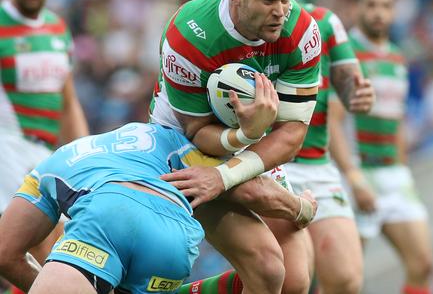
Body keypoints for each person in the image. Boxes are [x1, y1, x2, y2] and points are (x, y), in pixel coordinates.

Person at [150, 0, 322, 294]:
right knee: (268, 266)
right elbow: (198, 131)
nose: (280, 12)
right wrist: (242, 141)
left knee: (294, 283)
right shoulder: (189, 34)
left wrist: (231, 164)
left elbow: (291, 136)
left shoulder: (302, 34)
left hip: (249, 134)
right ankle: (296, 209)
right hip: (181, 138)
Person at [0, 122, 316, 294]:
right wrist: (300, 207)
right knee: (274, 271)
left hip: (105, 220)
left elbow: (4, 253)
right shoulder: (164, 138)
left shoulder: (48, 167)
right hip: (170, 241)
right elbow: (250, 190)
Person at [240, 0, 375, 293]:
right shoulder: (228, 33)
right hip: (261, 168)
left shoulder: (323, 23)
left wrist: (357, 93)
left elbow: (349, 84)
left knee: (346, 279)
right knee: (289, 280)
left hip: (314, 161)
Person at [329, 0, 433, 294]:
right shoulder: (347, 56)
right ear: (357, 8)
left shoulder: (398, 60)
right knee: (343, 279)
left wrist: (403, 168)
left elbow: (397, 119)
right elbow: (333, 122)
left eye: (385, 6)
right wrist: (353, 175)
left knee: (423, 264)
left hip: (394, 175)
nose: (378, 13)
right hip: (358, 173)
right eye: (371, 4)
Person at [0, 0, 89, 293]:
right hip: (5, 147)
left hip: (42, 153)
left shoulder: (57, 30)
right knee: (41, 248)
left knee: (59, 247)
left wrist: (83, 156)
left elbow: (67, 103)